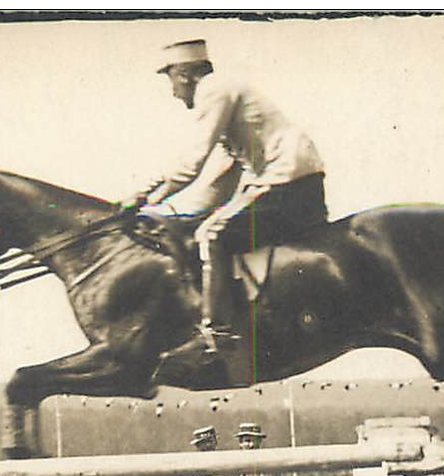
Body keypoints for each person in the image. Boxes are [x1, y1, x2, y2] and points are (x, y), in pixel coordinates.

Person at [119, 39, 328, 361]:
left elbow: (192, 162)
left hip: (286, 180)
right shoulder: (227, 94)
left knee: (211, 235)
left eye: (170, 78)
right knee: (207, 225)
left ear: (185, 74)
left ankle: (215, 333)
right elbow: (224, 180)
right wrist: (161, 208)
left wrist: (145, 195)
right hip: (294, 179)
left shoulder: (213, 90)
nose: (173, 91)